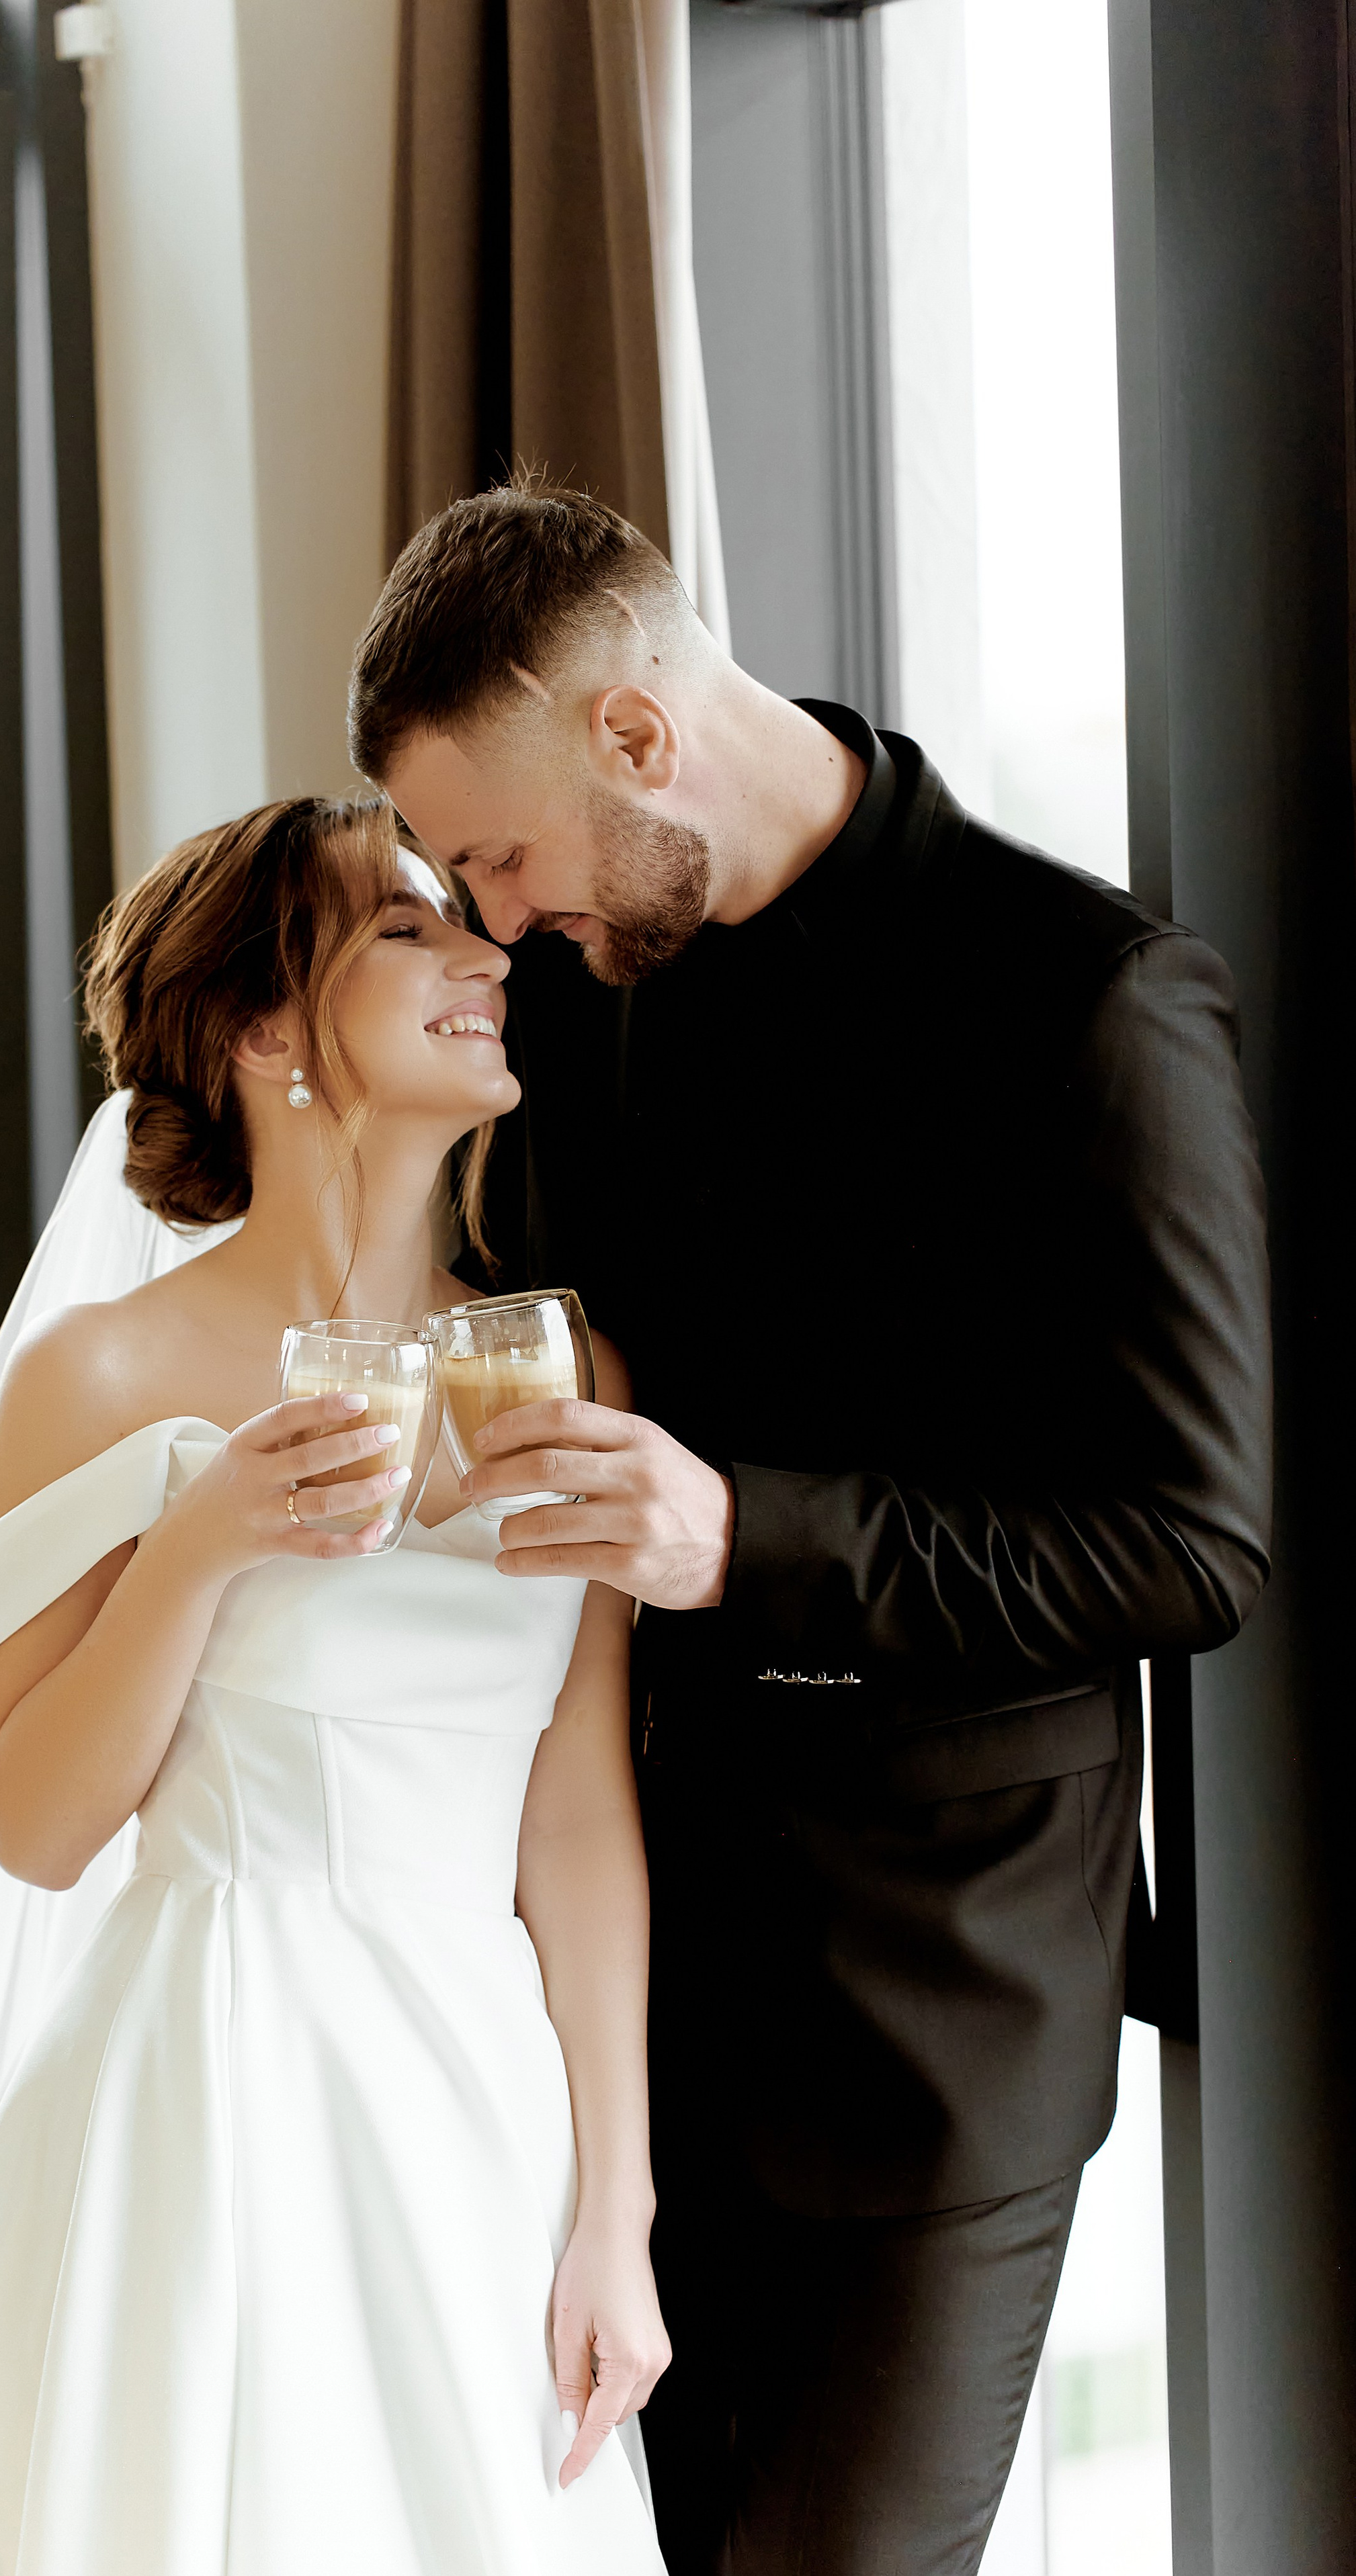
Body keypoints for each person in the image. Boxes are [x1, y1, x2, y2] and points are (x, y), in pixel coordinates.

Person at [349, 483, 1273, 2574]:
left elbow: (1193, 1544)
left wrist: (742, 1534)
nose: (488, 923)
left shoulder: (1092, 999)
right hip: (625, 2014)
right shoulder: (586, 1001)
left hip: (942, 2023)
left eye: (494, 856)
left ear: (639, 739)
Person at [0, 797, 670, 2574]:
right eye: (407, 934)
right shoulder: (104, 1372)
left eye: (467, 923)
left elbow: (576, 1811)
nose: (481, 955)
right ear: (268, 1030)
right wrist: (199, 1543)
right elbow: (38, 1825)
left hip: (472, 2105)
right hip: (209, 2078)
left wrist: (619, 2208)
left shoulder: (558, 1357)